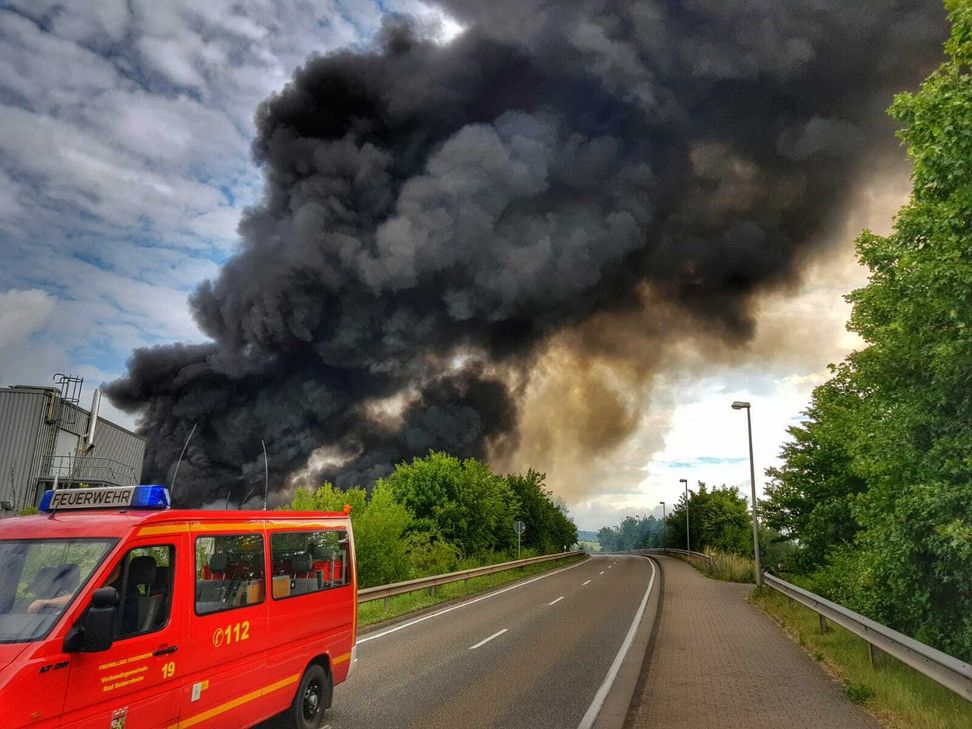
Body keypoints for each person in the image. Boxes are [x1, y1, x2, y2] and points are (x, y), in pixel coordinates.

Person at [27, 561, 121, 614]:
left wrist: (46, 603)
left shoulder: (68, 595)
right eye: (74, 577)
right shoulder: (29, 602)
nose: (77, 580)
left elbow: (81, 597)